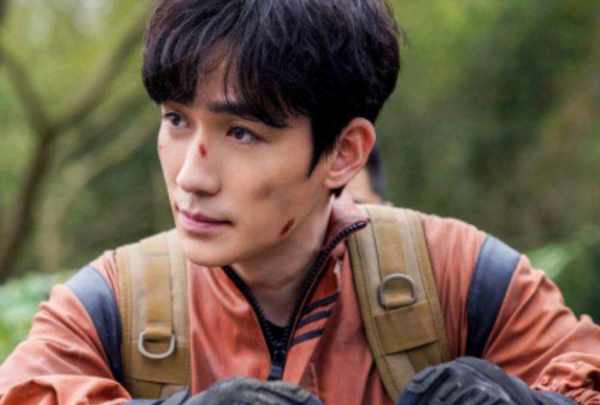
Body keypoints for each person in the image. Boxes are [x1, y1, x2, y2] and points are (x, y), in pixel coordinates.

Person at [1, 0, 600, 404]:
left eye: (241, 133)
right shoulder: (107, 307)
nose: (190, 176)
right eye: (176, 119)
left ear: (344, 152)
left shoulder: (463, 280)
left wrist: (521, 400)